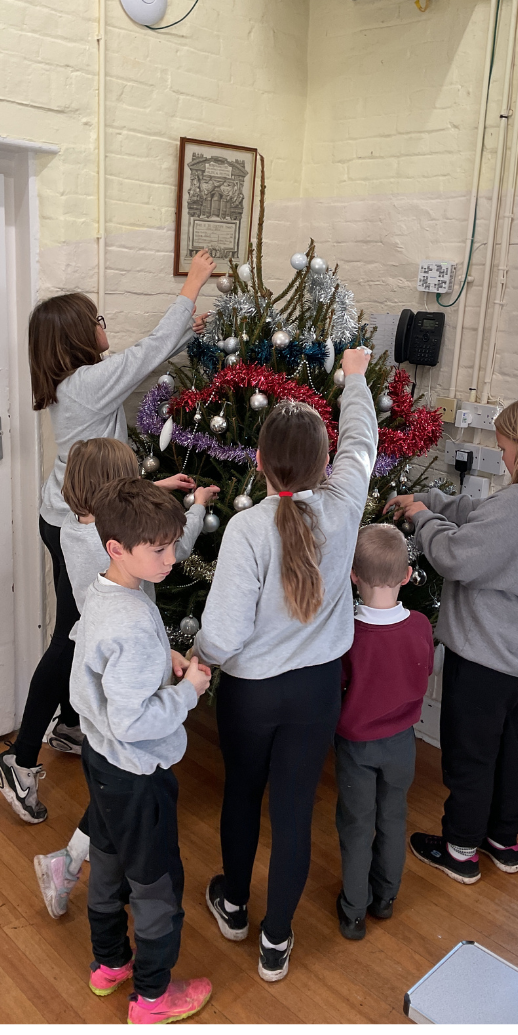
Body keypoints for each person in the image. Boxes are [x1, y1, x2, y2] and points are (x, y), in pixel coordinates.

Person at [0, 249, 213, 824]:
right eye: (98, 320)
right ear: (77, 339)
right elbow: (145, 355)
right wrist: (191, 285)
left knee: (77, 627)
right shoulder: (87, 383)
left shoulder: (74, 386)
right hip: (79, 526)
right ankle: (18, 758)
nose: (105, 327)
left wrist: (150, 485)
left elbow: (102, 471)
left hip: (72, 513)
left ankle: (68, 722)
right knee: (73, 634)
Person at [194, 346, 377, 983]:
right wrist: (354, 378)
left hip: (251, 694)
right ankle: (277, 941)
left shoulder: (247, 529)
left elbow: (223, 632)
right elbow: (363, 441)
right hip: (316, 691)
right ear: (326, 463)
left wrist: (199, 662)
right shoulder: (345, 502)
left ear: (259, 461)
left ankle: (234, 906)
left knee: (242, 794)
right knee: (295, 812)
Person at [387, 395, 518, 885]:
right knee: (508, 748)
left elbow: (455, 556)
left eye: (506, 447)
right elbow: (484, 514)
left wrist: (422, 517)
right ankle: (504, 840)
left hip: (490, 660)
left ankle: (459, 850)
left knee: (470, 756)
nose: (503, 456)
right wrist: (432, 500)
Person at [33, 437, 219, 918]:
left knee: (107, 795)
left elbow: (131, 524)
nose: (167, 554)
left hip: (109, 688)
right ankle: (71, 864)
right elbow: (173, 545)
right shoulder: (128, 600)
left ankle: (70, 867)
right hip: (129, 691)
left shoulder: (77, 531)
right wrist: (196, 507)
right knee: (122, 800)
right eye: (133, 479)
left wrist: (158, 489)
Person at [71, 476, 213, 1024]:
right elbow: (131, 720)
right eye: (159, 549)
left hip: (102, 762)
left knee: (108, 864)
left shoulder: (108, 592)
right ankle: (153, 998)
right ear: (116, 548)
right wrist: (187, 691)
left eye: (173, 544)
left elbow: (113, 669)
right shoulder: (131, 619)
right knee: (156, 885)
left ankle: (109, 964)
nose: (172, 558)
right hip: (137, 773)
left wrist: (163, 661)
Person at [333, 523, 435, 940]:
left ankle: (353, 911)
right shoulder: (420, 625)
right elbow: (425, 670)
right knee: (393, 818)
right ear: (407, 575)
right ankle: (385, 898)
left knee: (357, 825)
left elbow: (338, 685)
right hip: (402, 744)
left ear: (352, 575)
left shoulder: (348, 631)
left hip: (357, 745)